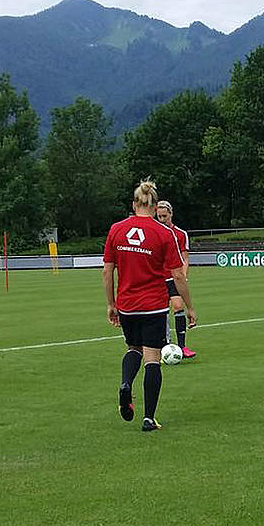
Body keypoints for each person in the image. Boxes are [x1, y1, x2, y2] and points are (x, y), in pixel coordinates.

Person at [103, 180, 197, 431]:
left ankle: (125, 383)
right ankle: (148, 418)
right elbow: (178, 275)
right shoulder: (164, 233)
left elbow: (107, 271)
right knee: (152, 359)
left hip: (127, 304)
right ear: (155, 208)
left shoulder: (116, 230)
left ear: (134, 204)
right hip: (154, 305)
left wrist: (111, 304)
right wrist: (189, 307)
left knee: (133, 348)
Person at [154, 200, 196, 359]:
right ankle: (164, 345)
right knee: (161, 312)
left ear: (171, 214)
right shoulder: (155, 232)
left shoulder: (180, 234)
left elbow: (185, 258)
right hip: (157, 278)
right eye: (159, 216)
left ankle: (182, 346)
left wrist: (183, 276)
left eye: (164, 216)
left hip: (174, 277)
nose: (162, 219)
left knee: (178, 306)